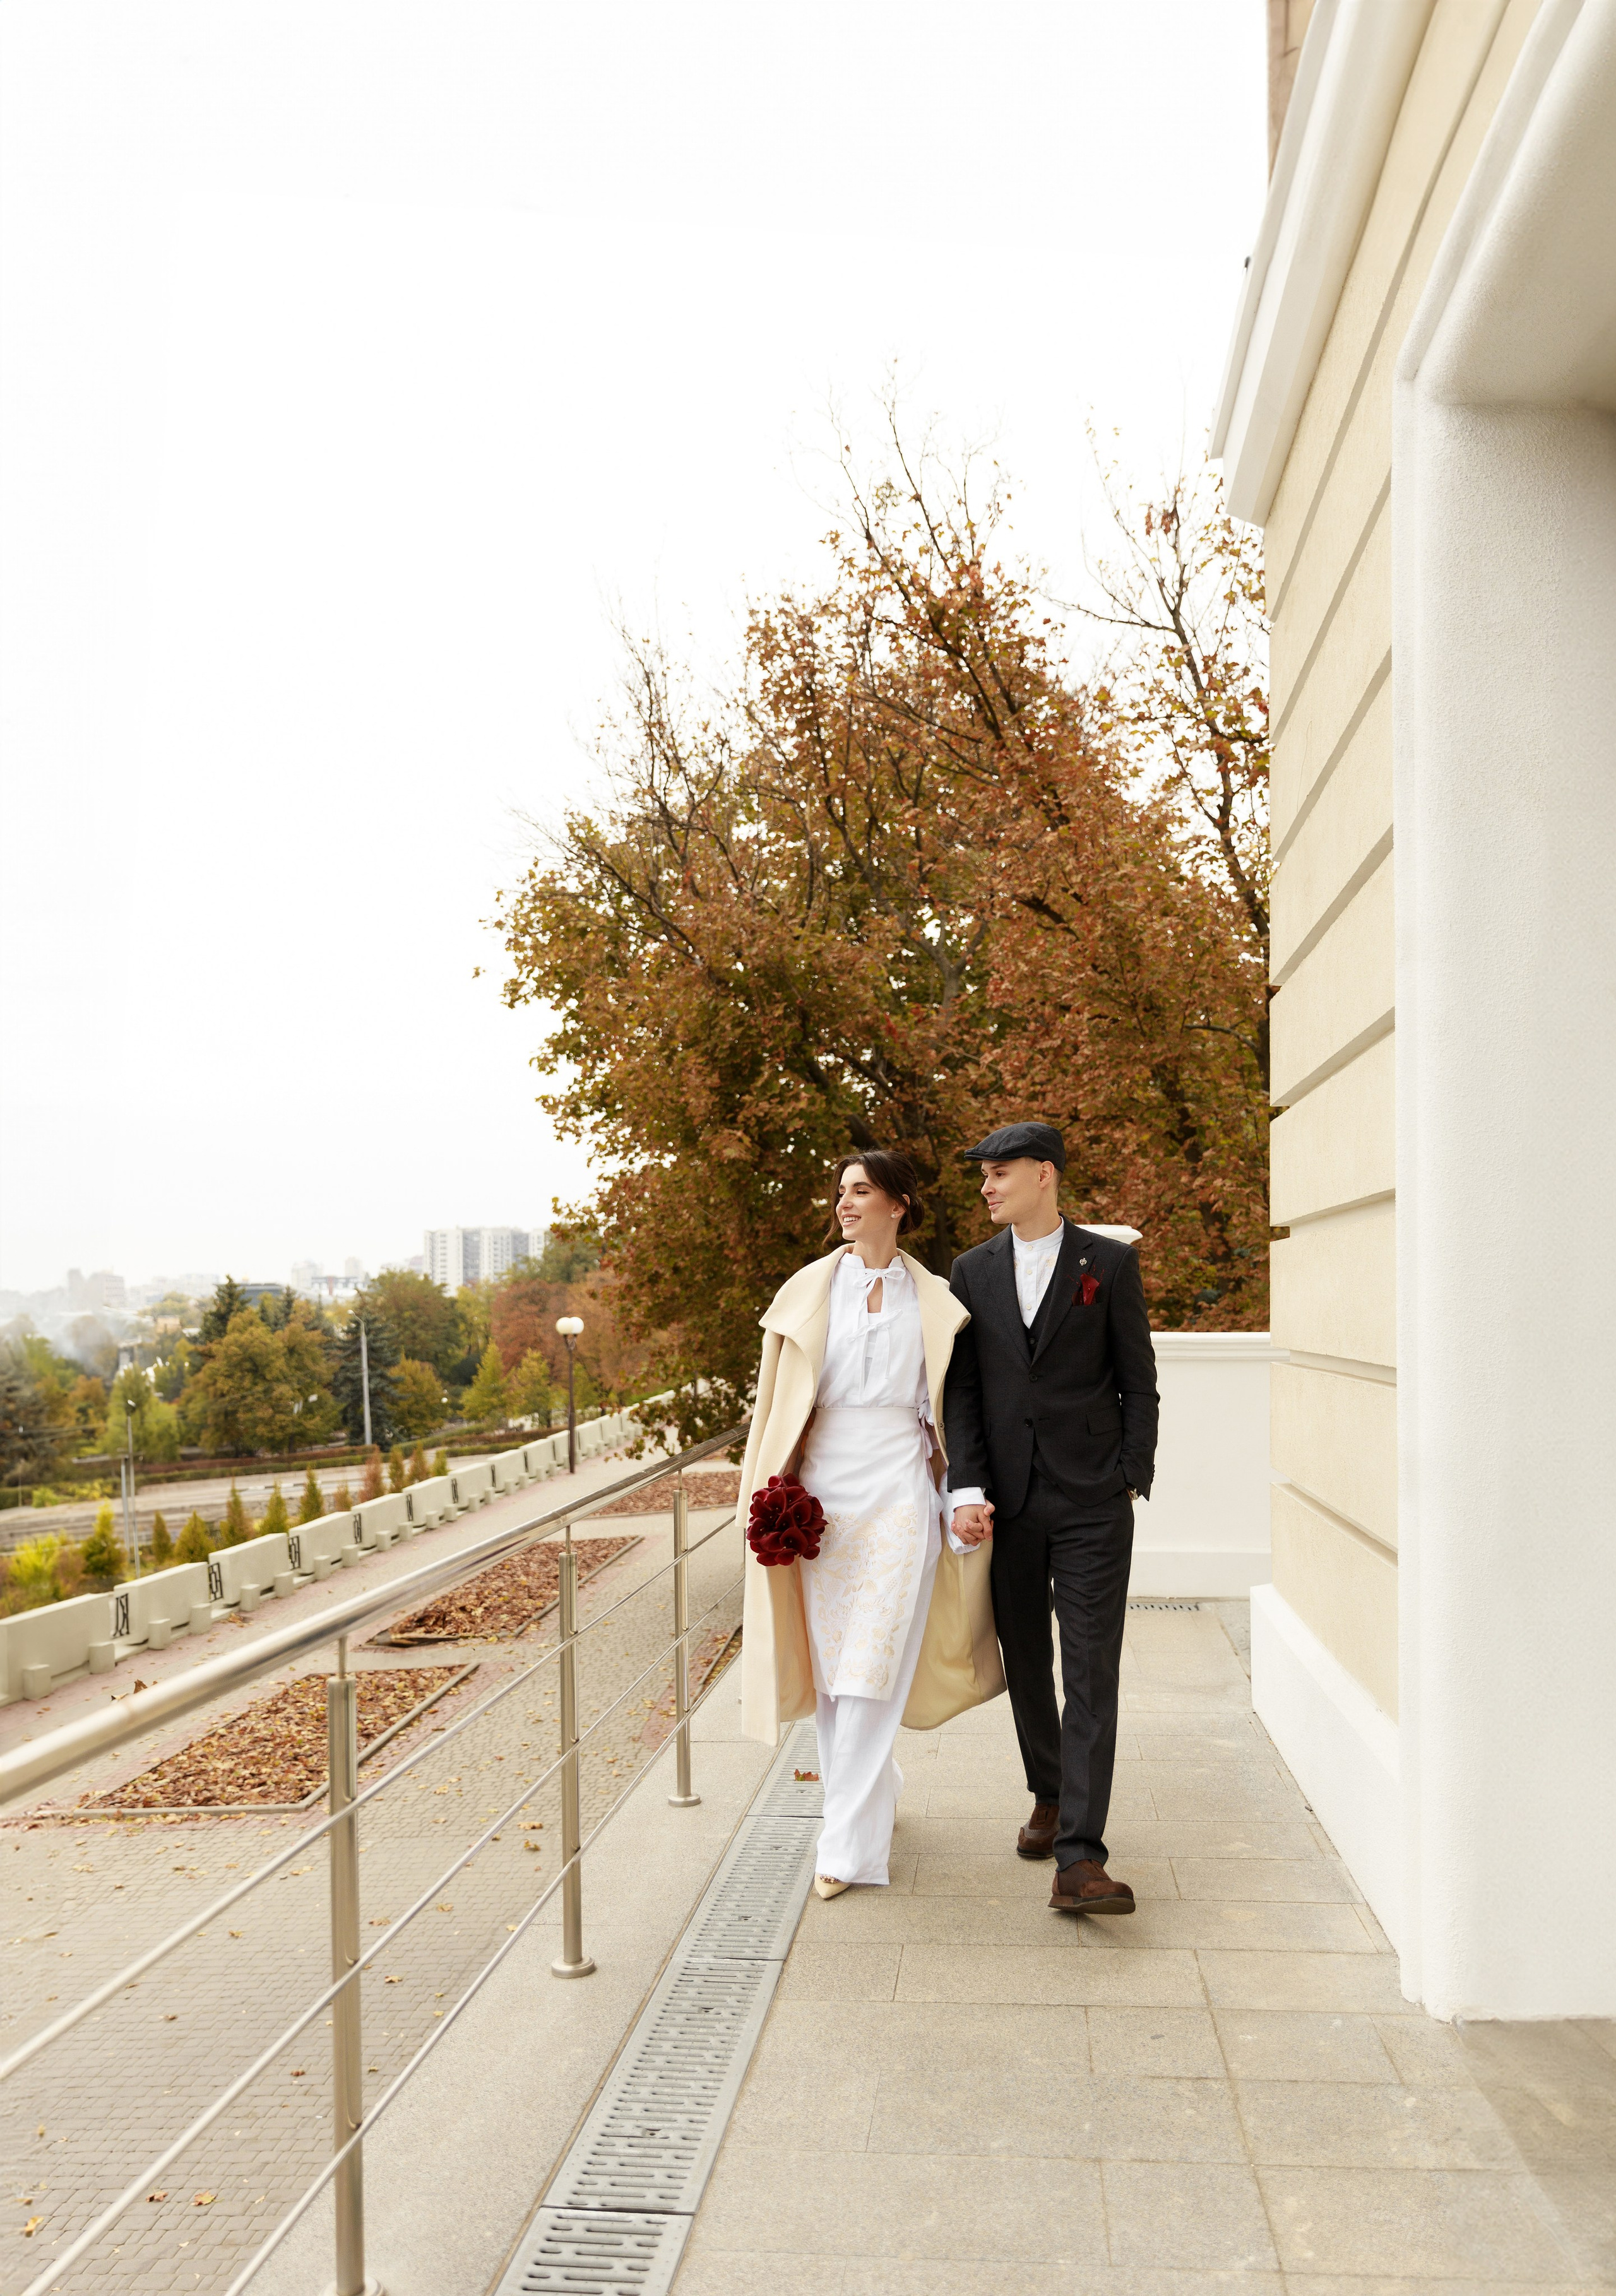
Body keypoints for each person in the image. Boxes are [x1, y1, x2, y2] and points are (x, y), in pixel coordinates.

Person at [739, 1149, 1004, 1896]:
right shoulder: (808, 1289)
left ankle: (844, 1848)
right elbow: (777, 1405)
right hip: (820, 1499)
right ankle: (872, 1792)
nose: (845, 1204)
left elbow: (953, 1409)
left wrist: (962, 1497)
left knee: (868, 1670)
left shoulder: (940, 1301)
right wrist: (771, 1494)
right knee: (832, 1673)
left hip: (897, 1492)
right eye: (841, 1193)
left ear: (899, 1203)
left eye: (861, 1191)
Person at [944, 1121, 1159, 1914]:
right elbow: (961, 1391)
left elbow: (1139, 1380)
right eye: (983, 1176)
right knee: (1026, 1659)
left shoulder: (1108, 1263)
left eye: (999, 1173)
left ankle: (1081, 1855)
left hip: (1094, 1500)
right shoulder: (970, 1271)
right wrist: (965, 1488)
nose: (986, 1187)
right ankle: (1047, 1791)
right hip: (1007, 1501)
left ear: (1044, 1174)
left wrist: (1129, 1475)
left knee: (1091, 1668)